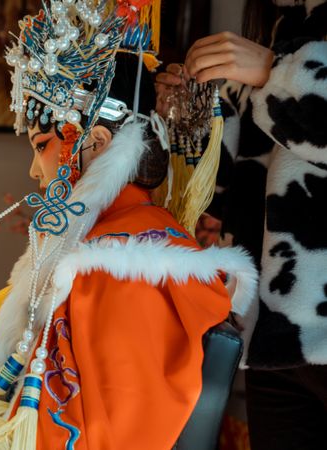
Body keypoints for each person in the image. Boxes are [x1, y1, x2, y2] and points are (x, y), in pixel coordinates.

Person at [0, 1, 257, 449]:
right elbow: (0, 324)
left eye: (41, 144)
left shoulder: (123, 269)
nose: (33, 170)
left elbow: (82, 437)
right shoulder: (108, 240)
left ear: (96, 144)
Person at [156, 0, 327, 448]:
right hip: (278, 342)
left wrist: (275, 72)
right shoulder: (279, 29)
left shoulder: (273, 56)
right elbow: (224, 192)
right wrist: (186, 114)